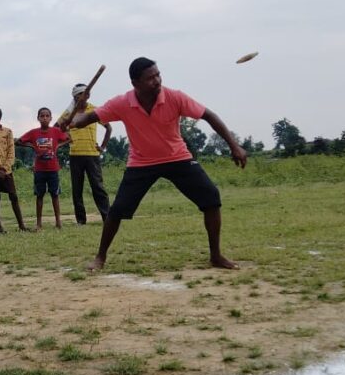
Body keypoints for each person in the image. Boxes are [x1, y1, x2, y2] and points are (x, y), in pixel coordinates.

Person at [68, 57, 246, 271]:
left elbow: (209, 115)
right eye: (150, 78)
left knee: (211, 198)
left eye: (158, 75)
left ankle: (216, 255)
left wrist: (234, 146)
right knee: (117, 211)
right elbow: (88, 119)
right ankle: (100, 258)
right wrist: (75, 119)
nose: (157, 80)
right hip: (141, 162)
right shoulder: (122, 103)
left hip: (177, 158)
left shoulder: (174, 97)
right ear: (136, 83)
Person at [58, 83, 112, 225]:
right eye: (78, 95)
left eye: (84, 94)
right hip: (75, 154)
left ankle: (107, 217)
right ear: (75, 97)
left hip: (92, 154)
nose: (81, 98)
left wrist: (102, 147)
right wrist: (66, 133)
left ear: (87, 95)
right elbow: (57, 129)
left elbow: (108, 127)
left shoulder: (94, 110)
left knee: (98, 187)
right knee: (77, 190)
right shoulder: (69, 112)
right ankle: (81, 220)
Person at [18, 108, 70, 230]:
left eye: (47, 116)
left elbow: (68, 138)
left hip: (53, 169)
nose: (45, 118)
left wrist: (57, 146)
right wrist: (32, 146)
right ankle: (39, 223)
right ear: (38, 118)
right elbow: (19, 141)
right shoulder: (34, 133)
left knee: (55, 195)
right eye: (42, 116)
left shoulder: (56, 131)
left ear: (51, 118)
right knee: (39, 196)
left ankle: (58, 222)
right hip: (39, 169)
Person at [0, 106, 28, 233]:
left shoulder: (8, 132)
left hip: (6, 172)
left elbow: (11, 152)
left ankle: (21, 225)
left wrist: (4, 168)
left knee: (13, 196)